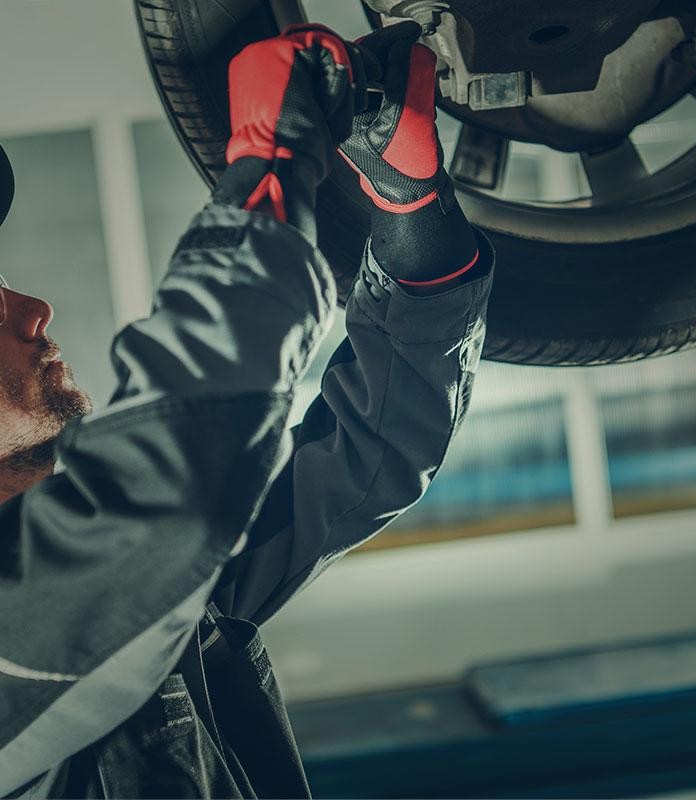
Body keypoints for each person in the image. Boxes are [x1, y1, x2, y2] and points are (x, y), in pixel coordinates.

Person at [0, 20, 493, 799]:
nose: (33, 309)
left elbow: (372, 455)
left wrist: (413, 210)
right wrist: (270, 157)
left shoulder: (140, 591)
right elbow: (177, 483)